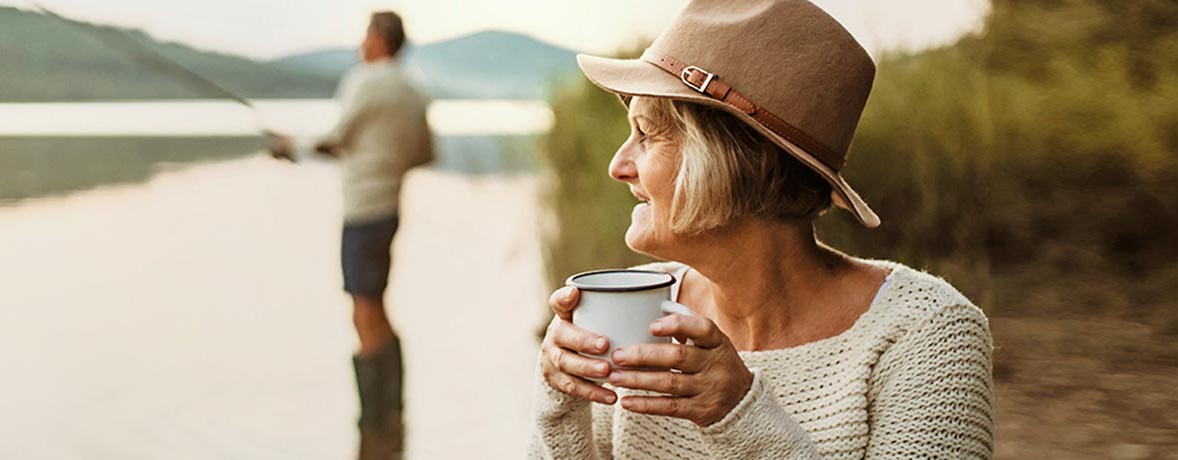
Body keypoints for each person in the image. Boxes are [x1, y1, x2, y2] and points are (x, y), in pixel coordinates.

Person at [530, 0, 994, 458]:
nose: (618, 166)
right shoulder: (633, 314)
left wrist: (737, 417)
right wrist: (560, 404)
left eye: (646, 135)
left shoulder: (927, 334)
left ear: (737, 163)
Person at [269, 10, 433, 460]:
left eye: (365, 33)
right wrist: (383, 158)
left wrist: (290, 147)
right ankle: (391, 416)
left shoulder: (365, 81)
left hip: (363, 212)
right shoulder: (415, 91)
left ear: (380, 38)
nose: (361, 43)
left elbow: (336, 138)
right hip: (391, 209)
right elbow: (425, 152)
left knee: (363, 308)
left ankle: (373, 421)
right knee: (376, 302)